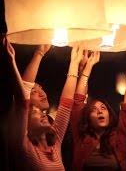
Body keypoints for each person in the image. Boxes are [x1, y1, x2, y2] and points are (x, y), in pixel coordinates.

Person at [6, 38, 83, 170]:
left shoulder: (54, 143)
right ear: (25, 123)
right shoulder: (24, 146)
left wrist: (75, 62)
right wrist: (38, 53)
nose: (43, 115)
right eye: (35, 111)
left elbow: (66, 104)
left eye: (42, 112)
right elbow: (22, 99)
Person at [71, 49, 126, 171]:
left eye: (103, 108)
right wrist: (88, 67)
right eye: (94, 109)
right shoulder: (81, 137)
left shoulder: (118, 137)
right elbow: (78, 102)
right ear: (87, 117)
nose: (100, 111)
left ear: (109, 114)